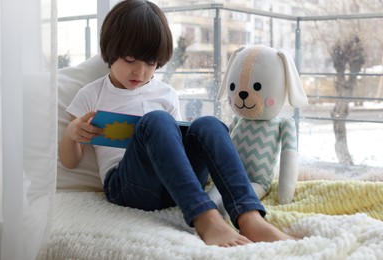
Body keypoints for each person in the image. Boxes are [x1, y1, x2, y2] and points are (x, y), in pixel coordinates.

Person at [59, 0, 297, 247]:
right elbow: (69, 161)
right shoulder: (92, 94)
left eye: (150, 63)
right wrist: (72, 134)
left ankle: (249, 217)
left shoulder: (166, 93)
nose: (140, 72)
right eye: (130, 59)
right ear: (111, 51)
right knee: (157, 121)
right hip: (127, 185)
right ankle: (206, 219)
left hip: (173, 187)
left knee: (208, 124)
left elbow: (173, 147)